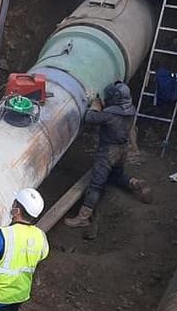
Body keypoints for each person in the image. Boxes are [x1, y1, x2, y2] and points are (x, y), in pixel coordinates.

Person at [64, 81, 152, 229]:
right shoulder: (131, 109)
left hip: (108, 152)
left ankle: (83, 217)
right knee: (116, 175)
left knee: (96, 184)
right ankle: (134, 183)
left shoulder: (110, 115)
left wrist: (96, 105)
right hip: (122, 149)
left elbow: (90, 117)